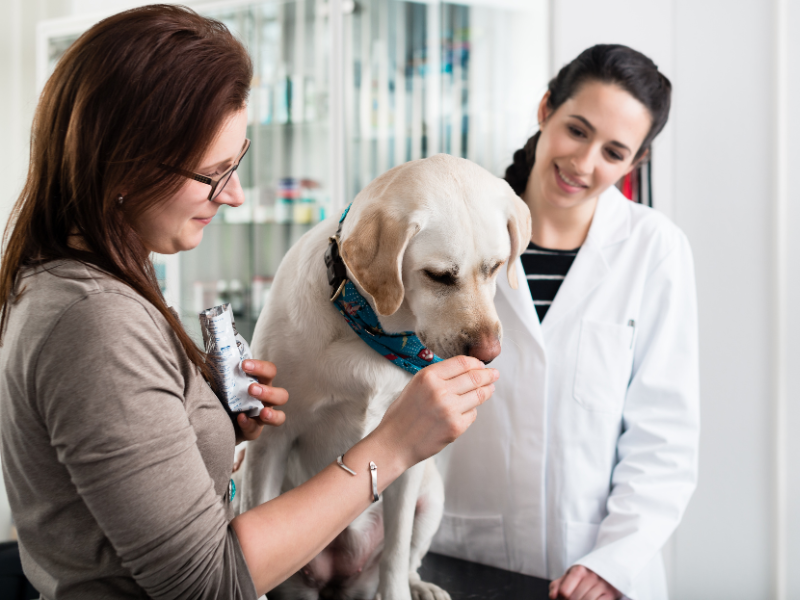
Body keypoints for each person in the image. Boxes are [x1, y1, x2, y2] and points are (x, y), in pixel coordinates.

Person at [0, 6, 497, 599]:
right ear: (123, 165)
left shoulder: (80, 282)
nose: (233, 194)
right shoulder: (95, 321)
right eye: (214, 173)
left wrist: (194, 414)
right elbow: (210, 584)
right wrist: (393, 447)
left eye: (238, 163)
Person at [430, 45, 700, 600]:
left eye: (613, 151)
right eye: (577, 130)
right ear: (545, 108)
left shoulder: (654, 250)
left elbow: (664, 437)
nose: (583, 163)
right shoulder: (463, 233)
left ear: (635, 163)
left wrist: (615, 562)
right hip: (462, 557)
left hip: (600, 573)